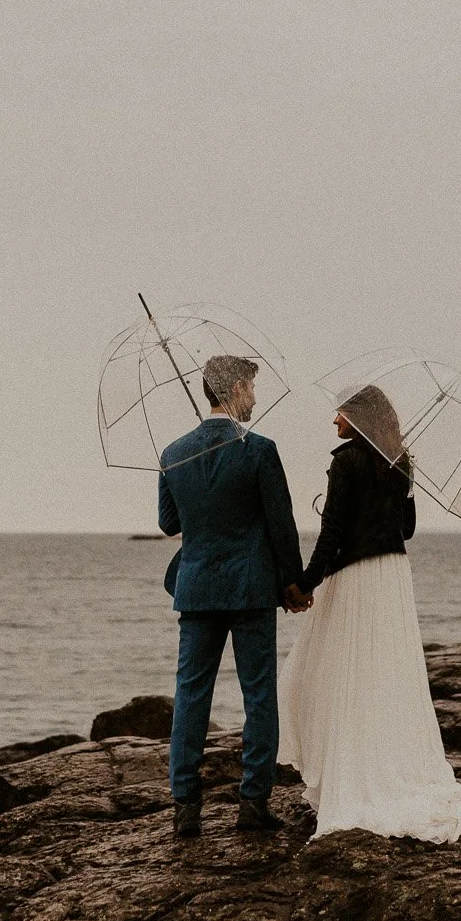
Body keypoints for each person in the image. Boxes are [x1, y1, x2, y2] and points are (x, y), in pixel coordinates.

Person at [277, 385, 461, 842]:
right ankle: (386, 765)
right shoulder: (399, 462)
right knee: (383, 673)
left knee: (326, 673)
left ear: (359, 416)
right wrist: (402, 484)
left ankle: (352, 773)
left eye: (340, 412)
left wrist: (305, 582)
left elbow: (333, 531)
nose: (334, 420)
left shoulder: (346, 462)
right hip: (392, 575)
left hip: (358, 575)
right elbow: (408, 529)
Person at [157, 353, 309, 840]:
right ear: (238, 388)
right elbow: (282, 525)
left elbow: (169, 524)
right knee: (258, 693)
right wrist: (294, 582)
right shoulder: (260, 450)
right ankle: (252, 804)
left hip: (197, 588)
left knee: (190, 694)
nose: (255, 398)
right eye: (252, 388)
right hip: (250, 588)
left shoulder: (174, 452)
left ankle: (185, 808)